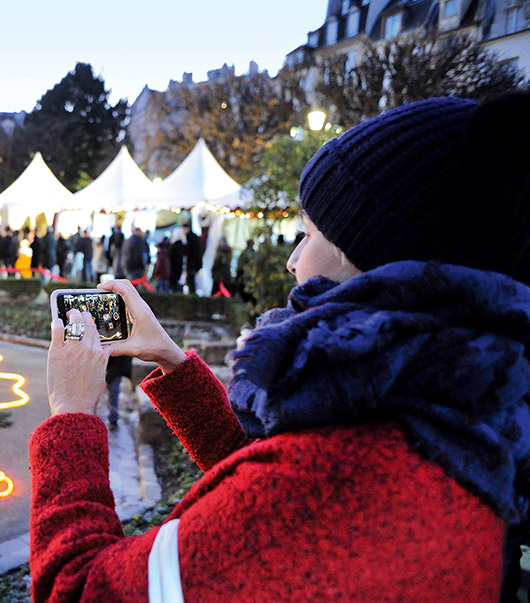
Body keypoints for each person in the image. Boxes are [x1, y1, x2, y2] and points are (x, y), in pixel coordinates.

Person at [31, 94, 530, 601]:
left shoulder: (336, 479)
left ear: (374, 262)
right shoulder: (450, 416)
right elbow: (262, 476)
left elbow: (78, 589)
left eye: (308, 233)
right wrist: (172, 360)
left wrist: (70, 417)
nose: (293, 260)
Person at [181, 221, 203, 294]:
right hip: (194, 263)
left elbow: (192, 252)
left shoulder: (191, 238)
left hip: (192, 264)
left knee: (191, 281)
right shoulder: (193, 237)